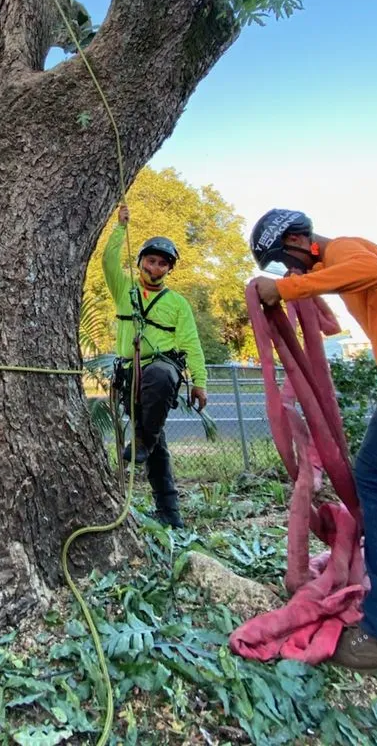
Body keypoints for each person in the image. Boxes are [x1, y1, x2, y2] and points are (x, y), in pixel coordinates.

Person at [250, 208, 377, 674]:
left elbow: (371, 271)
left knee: (376, 481)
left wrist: (283, 289)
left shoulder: (346, 250)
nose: (292, 272)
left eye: (288, 261)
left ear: (300, 240)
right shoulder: (341, 257)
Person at [103, 204, 208, 528]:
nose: (156, 267)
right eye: (151, 260)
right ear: (141, 262)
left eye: (163, 263)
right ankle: (170, 513)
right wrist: (120, 228)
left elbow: (191, 343)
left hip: (162, 369)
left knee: (161, 377)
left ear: (169, 269)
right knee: (157, 447)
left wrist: (199, 381)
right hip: (130, 375)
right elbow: (107, 261)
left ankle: (144, 441)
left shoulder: (177, 304)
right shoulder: (126, 292)